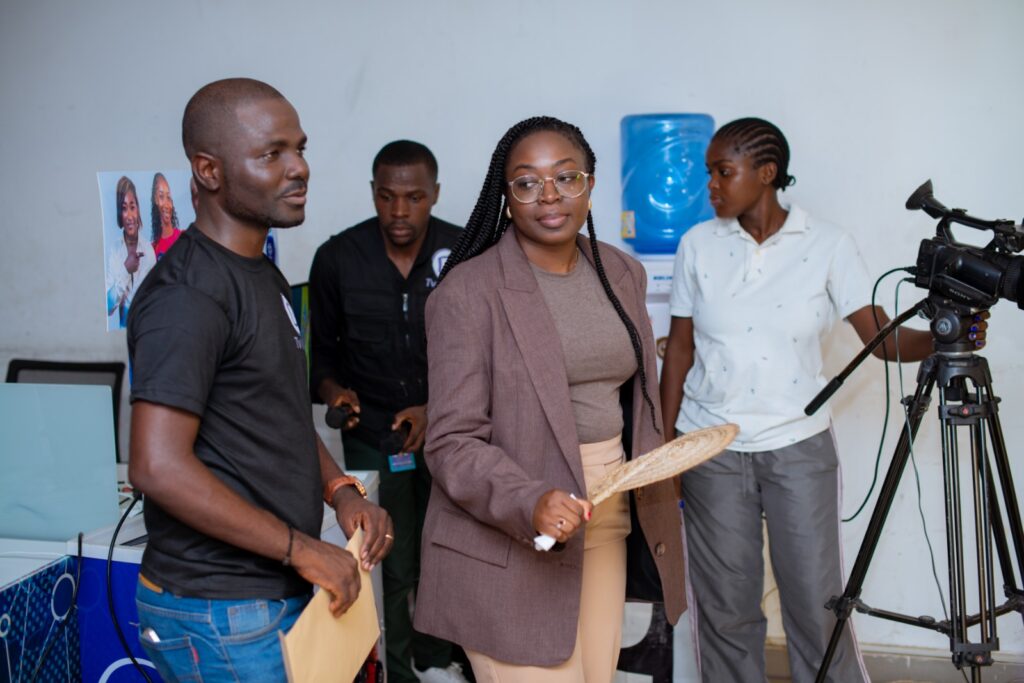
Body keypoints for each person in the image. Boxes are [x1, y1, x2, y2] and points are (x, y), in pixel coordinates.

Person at [659, 117, 988, 683]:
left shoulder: (827, 244)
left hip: (797, 445)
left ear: (766, 173)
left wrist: (946, 337)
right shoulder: (697, 245)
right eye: (710, 172)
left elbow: (881, 340)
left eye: (722, 171)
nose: (709, 184)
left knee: (816, 603)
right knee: (725, 608)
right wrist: (666, 450)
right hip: (710, 449)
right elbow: (680, 351)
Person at [127, 78, 393, 682]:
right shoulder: (188, 295)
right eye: (272, 154)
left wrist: (342, 492)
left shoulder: (260, 274)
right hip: (220, 609)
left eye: (299, 148)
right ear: (209, 171)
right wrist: (302, 549)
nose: (299, 168)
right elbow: (157, 466)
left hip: (264, 596)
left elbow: (279, 414)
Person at [413, 116, 686, 683]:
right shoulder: (468, 292)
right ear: (506, 196)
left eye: (566, 177)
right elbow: (450, 442)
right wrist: (529, 498)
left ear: (590, 184)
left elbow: (637, 401)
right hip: (512, 531)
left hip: (606, 521)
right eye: (527, 182)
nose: (550, 195)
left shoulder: (621, 272)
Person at [309, 140, 466, 683]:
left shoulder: (465, 251)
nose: (399, 211)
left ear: (435, 194)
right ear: (373, 193)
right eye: (386, 196)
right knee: (387, 558)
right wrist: (335, 392)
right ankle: (397, 672)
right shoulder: (337, 257)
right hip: (371, 433)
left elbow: (485, 355)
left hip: (452, 429)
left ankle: (437, 660)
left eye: (414, 197)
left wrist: (435, 408)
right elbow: (320, 358)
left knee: (449, 549)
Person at [106, 175, 155, 328]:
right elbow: (108, 307)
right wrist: (126, 270)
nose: (129, 216)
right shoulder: (115, 250)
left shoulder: (148, 251)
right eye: (124, 208)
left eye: (132, 207)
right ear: (119, 214)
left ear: (138, 210)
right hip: (122, 334)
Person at [150, 172, 182, 259]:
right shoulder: (152, 250)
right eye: (161, 196)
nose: (166, 204)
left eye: (168, 197)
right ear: (155, 200)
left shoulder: (184, 237)